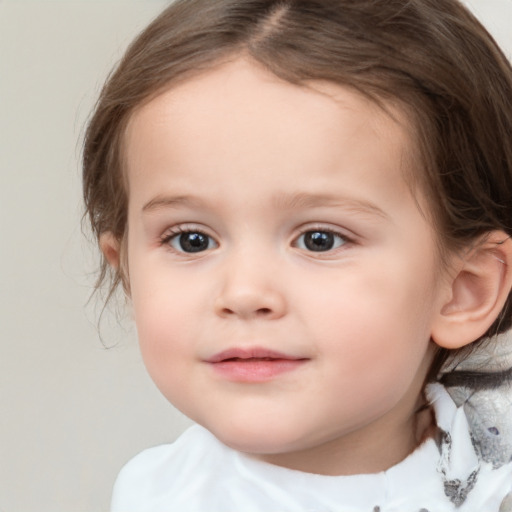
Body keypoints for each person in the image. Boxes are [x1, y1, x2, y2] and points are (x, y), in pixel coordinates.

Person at [82, 0, 512, 510]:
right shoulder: (163, 497)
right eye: (191, 239)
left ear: (465, 289)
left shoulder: (492, 470)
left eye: (319, 239)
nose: (243, 293)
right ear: (127, 271)